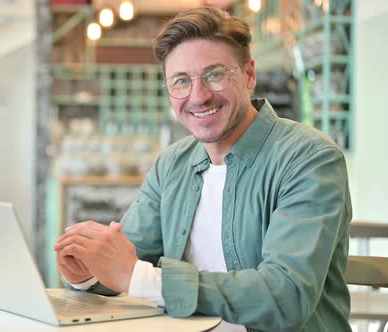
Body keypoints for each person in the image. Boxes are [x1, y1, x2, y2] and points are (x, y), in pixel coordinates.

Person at [54, 6, 352, 332]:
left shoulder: (309, 158)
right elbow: (125, 262)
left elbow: (287, 295)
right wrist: (88, 273)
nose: (198, 96)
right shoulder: (172, 164)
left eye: (214, 74)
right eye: (181, 81)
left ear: (249, 74)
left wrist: (138, 277)